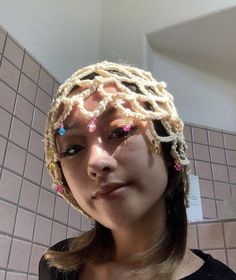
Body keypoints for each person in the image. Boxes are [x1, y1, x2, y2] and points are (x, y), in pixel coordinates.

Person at [39, 61, 236, 280]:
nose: (95, 162)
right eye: (73, 148)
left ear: (166, 147)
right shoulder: (56, 266)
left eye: (120, 131)